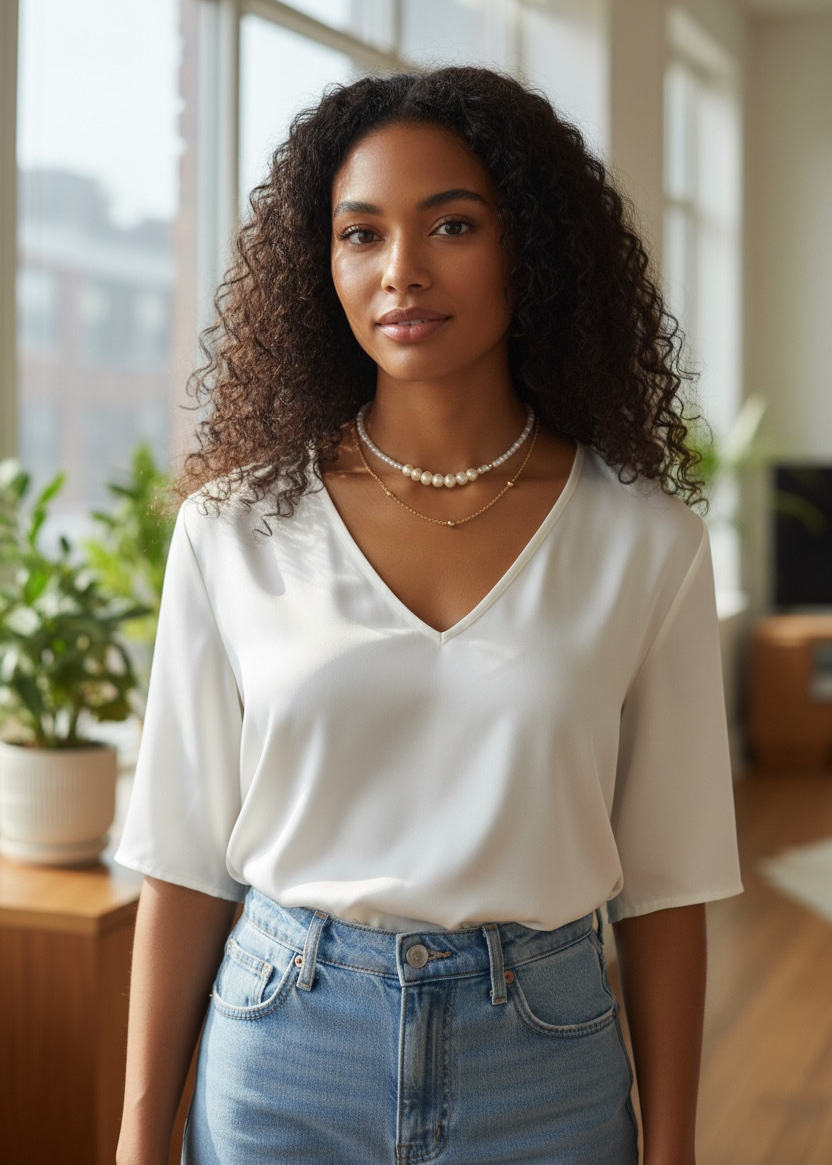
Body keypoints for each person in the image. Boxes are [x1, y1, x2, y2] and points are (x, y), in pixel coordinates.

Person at [115, 66, 742, 1165]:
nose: (400, 270)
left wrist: (675, 1146)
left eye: (451, 224)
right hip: (281, 1054)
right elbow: (183, 857)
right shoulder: (231, 528)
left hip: (544, 1065)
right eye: (360, 234)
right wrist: (136, 1137)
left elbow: (666, 881)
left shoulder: (646, 542)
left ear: (531, 249)